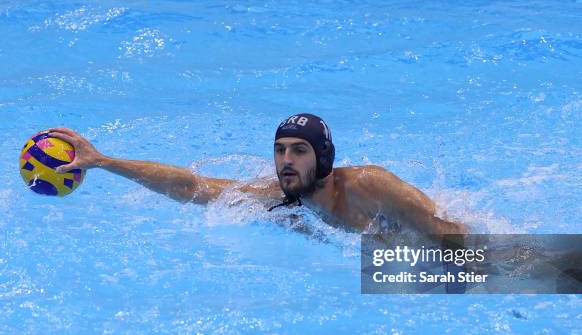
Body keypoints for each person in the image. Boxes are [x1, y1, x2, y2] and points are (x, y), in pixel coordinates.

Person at [48, 113, 468, 235]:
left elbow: (450, 237)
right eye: (280, 150)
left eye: (298, 151)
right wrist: (105, 162)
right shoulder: (279, 198)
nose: (286, 160)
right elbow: (190, 187)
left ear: (323, 158)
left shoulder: (369, 186)